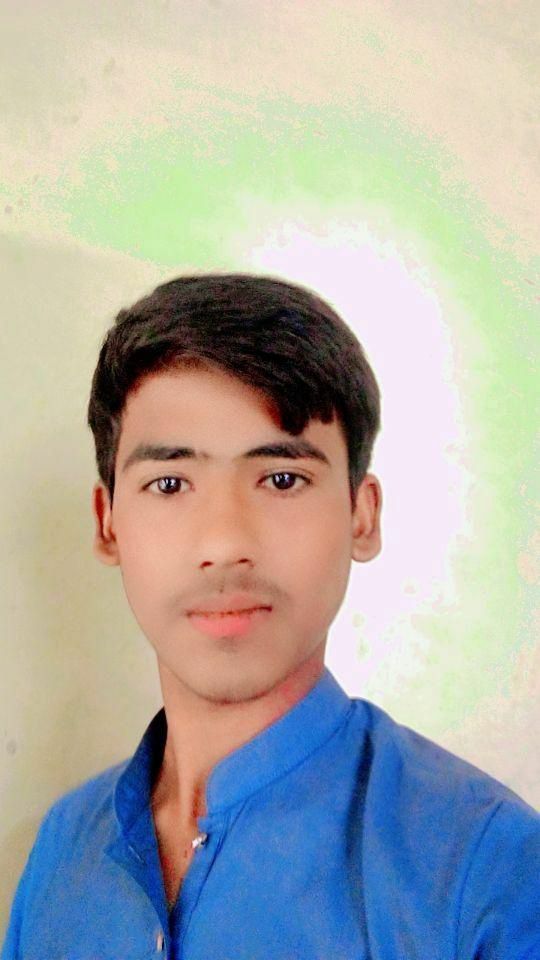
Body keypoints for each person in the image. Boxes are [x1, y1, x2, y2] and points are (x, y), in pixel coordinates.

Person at [2, 273, 538, 960]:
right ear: (108, 524)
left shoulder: (488, 870)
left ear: (362, 514)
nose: (225, 542)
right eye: (170, 483)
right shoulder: (61, 851)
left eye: (282, 479)